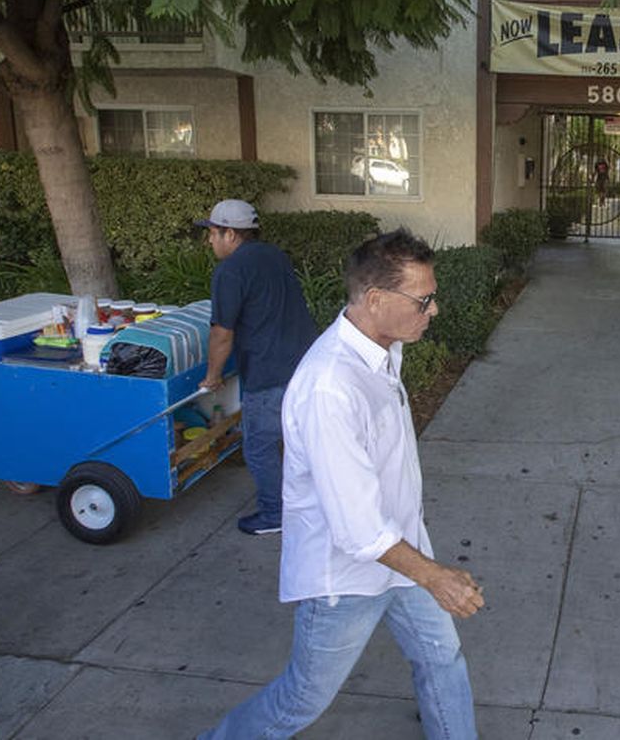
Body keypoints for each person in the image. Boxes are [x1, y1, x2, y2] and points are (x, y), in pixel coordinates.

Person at [200, 229, 485, 739]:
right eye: (424, 300)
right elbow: (357, 531)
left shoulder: (381, 348)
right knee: (301, 700)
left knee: (443, 657)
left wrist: (423, 568)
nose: (433, 311)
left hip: (403, 555)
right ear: (375, 300)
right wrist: (436, 576)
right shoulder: (331, 386)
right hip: (347, 579)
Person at [197, 199, 316, 536]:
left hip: (268, 371)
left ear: (230, 234)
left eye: (213, 233)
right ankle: (309, 502)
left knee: (259, 446)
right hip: (305, 364)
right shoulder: (275, 256)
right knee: (299, 442)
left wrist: (213, 376)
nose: (210, 241)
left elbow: (222, 332)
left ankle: (274, 513)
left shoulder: (230, 270)